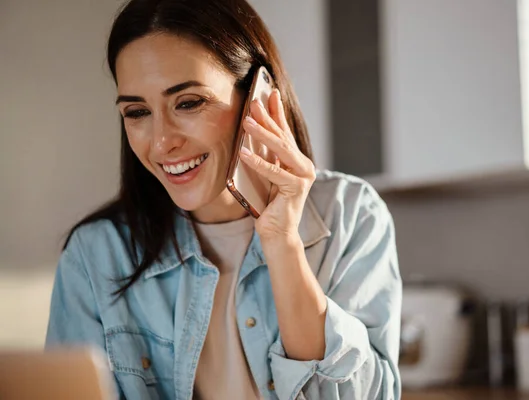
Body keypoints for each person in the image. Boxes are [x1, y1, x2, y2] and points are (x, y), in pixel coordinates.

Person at [45, 0, 402, 399]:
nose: (162, 142)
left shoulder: (351, 214)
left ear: (258, 98)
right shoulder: (95, 255)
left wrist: (282, 243)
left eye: (188, 102)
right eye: (137, 111)